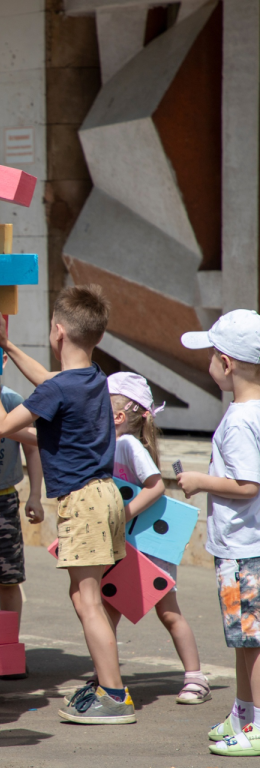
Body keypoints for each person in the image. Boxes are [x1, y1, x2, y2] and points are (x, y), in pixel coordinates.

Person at [0, 286, 135, 725]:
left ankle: (114, 696)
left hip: (83, 503)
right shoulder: (92, 377)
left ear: (58, 332)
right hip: (105, 496)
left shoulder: (62, 387)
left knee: (87, 601)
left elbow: (3, 424)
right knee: (86, 596)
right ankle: (107, 681)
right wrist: (7, 346)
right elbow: (49, 383)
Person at [176, 311, 260, 756]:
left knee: (254, 641)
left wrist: (200, 480)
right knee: (244, 638)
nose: (209, 361)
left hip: (246, 549)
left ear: (226, 364)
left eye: (212, 353)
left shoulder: (242, 420)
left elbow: (248, 485)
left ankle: (257, 724)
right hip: (242, 546)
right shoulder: (249, 412)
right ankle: (244, 712)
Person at [106, 372, 209, 704]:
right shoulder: (115, 443)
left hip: (148, 544)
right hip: (127, 543)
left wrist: (123, 514)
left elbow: (156, 486)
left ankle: (196, 678)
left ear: (119, 416)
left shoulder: (127, 444)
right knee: (109, 607)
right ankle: (105, 676)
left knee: (167, 610)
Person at [0, 352, 44, 671]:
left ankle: (9, 649)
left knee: (7, 578)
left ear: (2, 361)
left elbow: (34, 445)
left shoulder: (12, 399)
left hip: (1, 500)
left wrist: (35, 495)